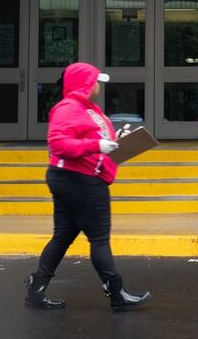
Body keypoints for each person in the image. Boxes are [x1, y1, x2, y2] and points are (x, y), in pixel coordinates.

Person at [24, 61, 150, 312]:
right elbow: (58, 144)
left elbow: (90, 137)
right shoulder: (68, 108)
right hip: (80, 180)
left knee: (62, 236)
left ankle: (35, 289)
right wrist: (97, 147)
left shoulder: (87, 108)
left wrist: (115, 141)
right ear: (84, 84)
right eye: (95, 82)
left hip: (76, 179)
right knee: (99, 238)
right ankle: (117, 293)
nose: (98, 86)